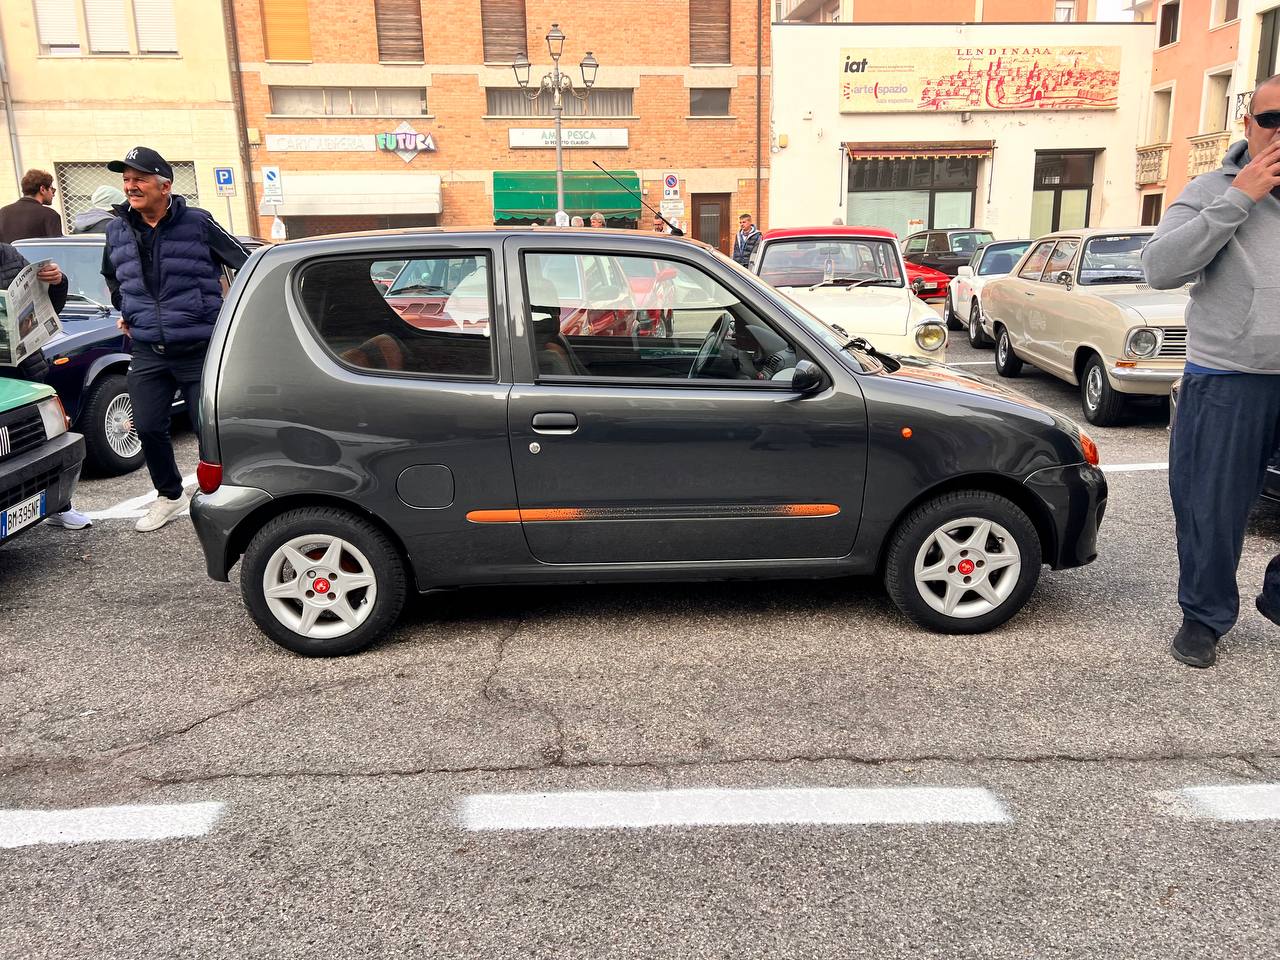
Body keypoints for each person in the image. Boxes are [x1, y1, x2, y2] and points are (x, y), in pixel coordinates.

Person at [1141, 74, 1280, 668]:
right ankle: (1204, 617)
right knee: (1210, 509)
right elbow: (1160, 268)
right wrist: (1239, 198)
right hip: (1228, 376)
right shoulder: (1211, 189)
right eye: (1272, 119)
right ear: (1248, 124)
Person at [100, 146, 250, 532]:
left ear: (164, 186)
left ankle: (222, 496)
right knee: (148, 426)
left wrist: (234, 315)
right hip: (148, 349)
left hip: (199, 348)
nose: (130, 186)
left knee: (208, 428)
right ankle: (169, 495)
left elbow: (247, 264)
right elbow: (112, 276)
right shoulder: (116, 229)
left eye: (139, 179)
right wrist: (127, 308)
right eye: (126, 180)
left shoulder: (197, 222)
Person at [0, 243, 92, 529]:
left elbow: (50, 307)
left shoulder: (8, 254)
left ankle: (59, 505)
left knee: (38, 442)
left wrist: (57, 282)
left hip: (24, 367)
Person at [0, 170, 63, 243]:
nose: (53, 194)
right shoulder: (50, 215)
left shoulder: (2, 212)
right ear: (42, 189)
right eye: (52, 189)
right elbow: (57, 246)